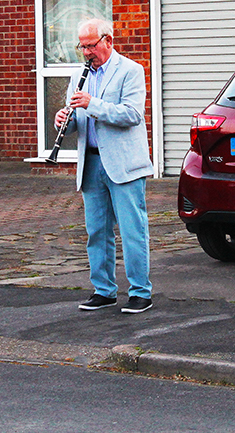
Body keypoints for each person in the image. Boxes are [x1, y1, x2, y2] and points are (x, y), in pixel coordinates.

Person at [54, 19, 155, 314]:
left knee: (132, 230)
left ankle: (140, 292)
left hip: (124, 164)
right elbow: (78, 119)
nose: (86, 52)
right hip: (91, 162)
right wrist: (64, 121)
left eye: (91, 45)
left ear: (108, 41)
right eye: (82, 47)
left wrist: (92, 104)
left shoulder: (131, 70)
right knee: (97, 231)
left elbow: (132, 115)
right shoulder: (79, 75)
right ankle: (103, 290)